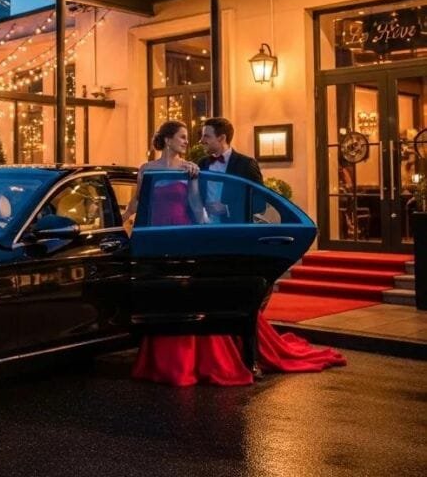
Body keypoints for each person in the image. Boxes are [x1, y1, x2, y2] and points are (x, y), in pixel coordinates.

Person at [197, 116, 346, 379]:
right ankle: (218, 356)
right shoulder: (200, 165)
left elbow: (260, 204)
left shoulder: (245, 165)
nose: (202, 140)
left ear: (221, 138)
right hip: (207, 237)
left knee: (242, 299)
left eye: (206, 136)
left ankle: (248, 357)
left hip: (236, 239)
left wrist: (228, 209)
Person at [123, 120, 255, 386]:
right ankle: (158, 359)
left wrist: (206, 231)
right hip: (156, 235)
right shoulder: (146, 169)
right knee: (159, 293)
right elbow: (138, 201)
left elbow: (196, 204)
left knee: (183, 292)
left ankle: (187, 359)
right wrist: (122, 221)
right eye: (182, 137)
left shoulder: (190, 169)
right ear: (168, 139)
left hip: (182, 234)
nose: (188, 141)